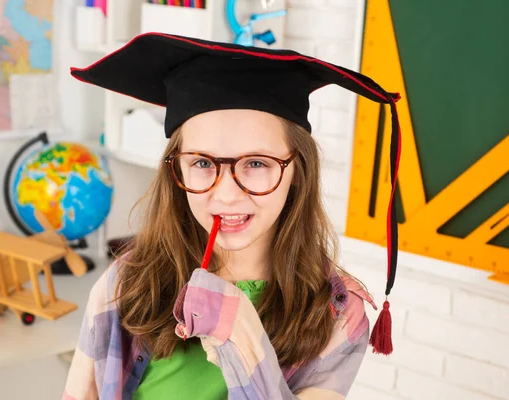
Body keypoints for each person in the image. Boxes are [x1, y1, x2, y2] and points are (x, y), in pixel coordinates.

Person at [63, 32, 401, 399]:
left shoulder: (337, 316)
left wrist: (239, 333)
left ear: (297, 171)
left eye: (256, 163)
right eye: (203, 162)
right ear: (176, 170)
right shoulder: (125, 284)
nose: (225, 194)